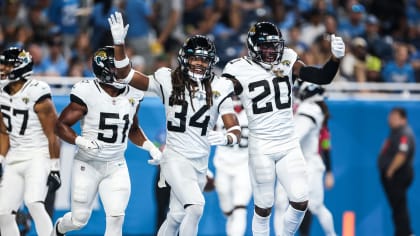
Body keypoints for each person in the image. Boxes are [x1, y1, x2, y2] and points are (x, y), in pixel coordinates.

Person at [108, 12, 241, 236]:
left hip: (200, 161)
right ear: (185, 59)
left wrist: (229, 136)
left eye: (204, 59)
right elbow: (125, 75)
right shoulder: (167, 79)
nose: (199, 63)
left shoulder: (221, 86)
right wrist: (119, 44)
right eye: (195, 58)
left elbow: (233, 125)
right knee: (196, 208)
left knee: (177, 216)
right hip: (175, 157)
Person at [221, 21, 345, 236]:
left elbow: (321, 77)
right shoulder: (237, 68)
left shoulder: (287, 58)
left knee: (300, 202)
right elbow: (220, 95)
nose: (271, 51)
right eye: (265, 46)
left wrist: (335, 59)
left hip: (288, 142)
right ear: (252, 46)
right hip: (261, 145)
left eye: (274, 45)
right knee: (264, 208)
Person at [51, 46, 162, 236]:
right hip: (88, 163)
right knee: (79, 220)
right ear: (103, 69)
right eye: (116, 69)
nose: (122, 73)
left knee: (116, 217)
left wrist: (151, 147)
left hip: (116, 164)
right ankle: (59, 228)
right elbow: (60, 126)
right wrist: (80, 141)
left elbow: (133, 128)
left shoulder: (134, 92)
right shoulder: (87, 90)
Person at [0, 47, 62, 236]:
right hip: (15, 156)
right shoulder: (1, 92)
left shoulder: (37, 91)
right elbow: (3, 131)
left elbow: (53, 133)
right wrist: (0, 159)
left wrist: (55, 167)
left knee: (34, 202)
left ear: (20, 67)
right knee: (3, 213)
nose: (2, 68)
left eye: (7, 64)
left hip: (38, 154)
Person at [274, 82, 337, 236]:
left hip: (307, 164)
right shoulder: (306, 109)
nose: (296, 94)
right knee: (281, 203)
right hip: (293, 162)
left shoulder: (311, 110)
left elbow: (295, 137)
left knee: (315, 206)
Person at [213, 97, 252, 236]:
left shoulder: (253, 113)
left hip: (244, 166)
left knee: (240, 207)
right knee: (228, 210)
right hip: (223, 164)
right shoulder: (219, 111)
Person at [378, 107, 415, 236]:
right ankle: (402, 232)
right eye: (390, 116)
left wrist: (391, 170)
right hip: (394, 175)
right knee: (397, 207)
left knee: (399, 207)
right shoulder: (395, 132)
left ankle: (405, 233)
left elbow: (402, 154)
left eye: (394, 117)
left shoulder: (404, 133)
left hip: (398, 175)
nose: (390, 119)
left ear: (403, 119)